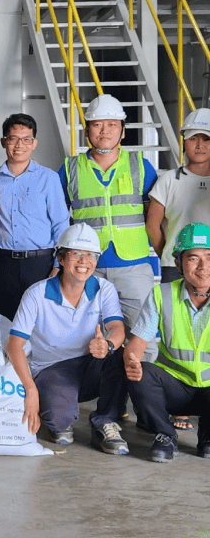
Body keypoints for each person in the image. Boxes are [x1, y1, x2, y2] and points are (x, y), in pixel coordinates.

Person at [8, 223, 129, 455]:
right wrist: (31, 390)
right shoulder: (37, 293)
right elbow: (14, 346)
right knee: (59, 424)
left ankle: (105, 421)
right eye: (77, 254)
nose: (84, 261)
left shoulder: (104, 288)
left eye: (91, 255)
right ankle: (60, 409)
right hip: (51, 368)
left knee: (120, 354)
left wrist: (108, 344)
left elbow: (116, 327)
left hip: (89, 364)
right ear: (61, 259)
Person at [58, 94, 158, 360]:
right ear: (86, 130)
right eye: (97, 124)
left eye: (112, 124)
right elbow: (59, 221)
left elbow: (156, 218)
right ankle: (109, 403)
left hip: (134, 267)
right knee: (95, 341)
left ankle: (144, 402)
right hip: (87, 267)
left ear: (123, 131)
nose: (104, 131)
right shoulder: (70, 170)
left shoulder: (141, 167)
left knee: (143, 341)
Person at [125, 223, 210, 462]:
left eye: (209, 257)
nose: (203, 267)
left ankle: (208, 435)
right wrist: (131, 361)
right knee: (140, 373)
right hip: (174, 388)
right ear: (178, 263)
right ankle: (165, 433)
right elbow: (138, 342)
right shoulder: (161, 294)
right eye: (193, 258)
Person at [0, 113, 69, 321]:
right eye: (13, 138)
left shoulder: (49, 178)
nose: (19, 145)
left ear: (34, 143)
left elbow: (61, 224)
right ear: (4, 142)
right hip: (2, 264)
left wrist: (58, 266)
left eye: (26, 139)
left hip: (41, 265)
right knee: (4, 325)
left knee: (41, 325)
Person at [147, 108, 210, 283]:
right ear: (184, 142)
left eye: (206, 139)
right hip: (175, 267)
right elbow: (152, 226)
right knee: (172, 310)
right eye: (193, 139)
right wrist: (170, 256)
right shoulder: (169, 180)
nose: (199, 146)